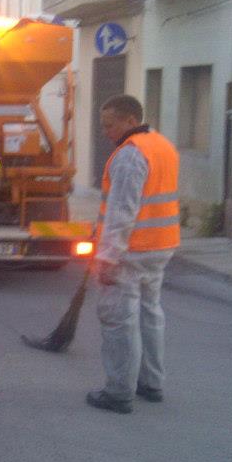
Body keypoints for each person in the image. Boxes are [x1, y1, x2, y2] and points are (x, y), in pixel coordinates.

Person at [87, 94, 180, 414]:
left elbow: (122, 211)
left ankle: (118, 392)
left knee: (119, 321)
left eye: (109, 124)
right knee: (150, 314)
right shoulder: (162, 145)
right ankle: (151, 383)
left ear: (130, 120)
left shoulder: (129, 155)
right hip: (160, 246)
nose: (105, 131)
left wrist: (108, 256)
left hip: (131, 251)